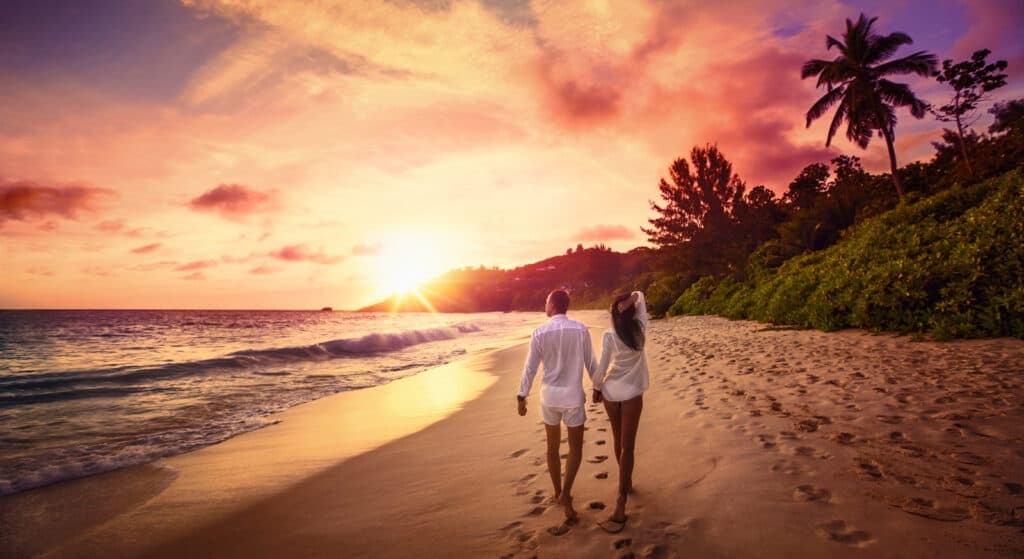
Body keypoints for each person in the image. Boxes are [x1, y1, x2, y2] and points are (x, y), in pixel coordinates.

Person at [517, 289, 599, 535]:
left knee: (552, 448)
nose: (545, 305)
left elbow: (530, 368)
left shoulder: (540, 332)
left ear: (552, 305)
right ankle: (566, 493)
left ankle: (557, 491)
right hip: (573, 398)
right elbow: (591, 362)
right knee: (576, 449)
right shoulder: (580, 330)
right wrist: (598, 386)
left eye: (546, 302)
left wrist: (521, 395)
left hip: (549, 398)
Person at [591, 291, 649, 533]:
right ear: (631, 311)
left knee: (619, 441)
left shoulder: (609, 335)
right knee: (628, 446)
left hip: (611, 393)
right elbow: (641, 297)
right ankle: (621, 498)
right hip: (631, 393)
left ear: (614, 312)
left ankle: (626, 483)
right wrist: (632, 299)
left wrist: (596, 387)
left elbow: (602, 365)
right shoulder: (640, 328)